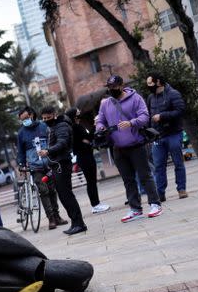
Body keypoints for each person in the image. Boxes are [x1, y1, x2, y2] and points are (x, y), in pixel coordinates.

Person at [95, 75, 162, 222]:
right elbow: (100, 119)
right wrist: (100, 127)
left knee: (145, 176)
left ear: (121, 85)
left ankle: (155, 204)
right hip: (118, 148)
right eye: (109, 88)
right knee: (128, 180)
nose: (111, 90)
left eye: (114, 87)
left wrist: (131, 123)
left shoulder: (135, 98)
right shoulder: (106, 103)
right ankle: (135, 209)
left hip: (136, 145)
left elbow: (145, 116)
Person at [16, 106, 68, 230]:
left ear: (32, 115)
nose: (25, 121)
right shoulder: (21, 133)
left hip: (49, 164)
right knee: (44, 191)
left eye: (26, 118)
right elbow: (21, 152)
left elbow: (53, 142)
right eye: (22, 120)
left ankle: (57, 216)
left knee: (52, 190)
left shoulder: (44, 126)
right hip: (35, 167)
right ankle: (51, 218)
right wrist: (21, 164)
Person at [40, 106, 87, 235]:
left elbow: (62, 143)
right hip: (57, 164)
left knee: (66, 195)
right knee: (63, 195)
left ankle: (79, 223)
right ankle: (75, 223)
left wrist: (48, 151)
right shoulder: (54, 126)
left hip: (62, 164)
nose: (45, 120)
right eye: (43, 118)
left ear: (54, 115)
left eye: (48, 118)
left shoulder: (61, 126)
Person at [146, 71, 188, 200]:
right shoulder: (150, 98)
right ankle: (160, 193)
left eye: (150, 83)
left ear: (158, 82)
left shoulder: (173, 94)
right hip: (158, 137)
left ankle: (181, 189)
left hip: (174, 134)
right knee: (158, 166)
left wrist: (162, 116)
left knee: (178, 163)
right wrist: (148, 133)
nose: (148, 86)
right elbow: (148, 116)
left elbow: (180, 111)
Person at [66, 107, 110, 214]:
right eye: (78, 113)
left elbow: (87, 139)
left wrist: (88, 138)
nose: (80, 113)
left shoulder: (79, 125)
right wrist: (95, 126)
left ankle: (96, 203)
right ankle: (95, 205)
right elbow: (87, 139)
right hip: (84, 156)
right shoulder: (75, 127)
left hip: (87, 155)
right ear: (73, 116)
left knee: (92, 181)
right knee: (91, 181)